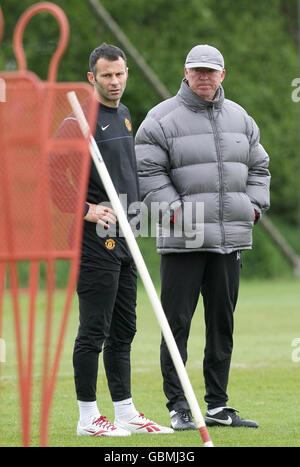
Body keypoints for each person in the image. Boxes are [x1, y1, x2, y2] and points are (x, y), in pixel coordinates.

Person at [135, 44, 270, 430]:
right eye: (198, 70)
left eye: (212, 71)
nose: (205, 77)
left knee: (221, 325)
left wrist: (254, 207)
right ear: (186, 72)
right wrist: (176, 213)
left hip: (229, 240)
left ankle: (218, 405)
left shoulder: (241, 118)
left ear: (222, 75)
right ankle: (179, 407)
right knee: (176, 323)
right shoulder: (160, 119)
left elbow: (260, 167)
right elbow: (147, 172)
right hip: (184, 238)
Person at [58, 43, 173, 437]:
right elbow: (51, 177)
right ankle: (88, 417)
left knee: (125, 329)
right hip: (94, 242)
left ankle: (124, 411)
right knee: (94, 329)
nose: (115, 81)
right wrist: (87, 210)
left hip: (126, 238)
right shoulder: (76, 120)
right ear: (92, 77)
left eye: (120, 74)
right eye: (106, 75)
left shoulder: (123, 115)